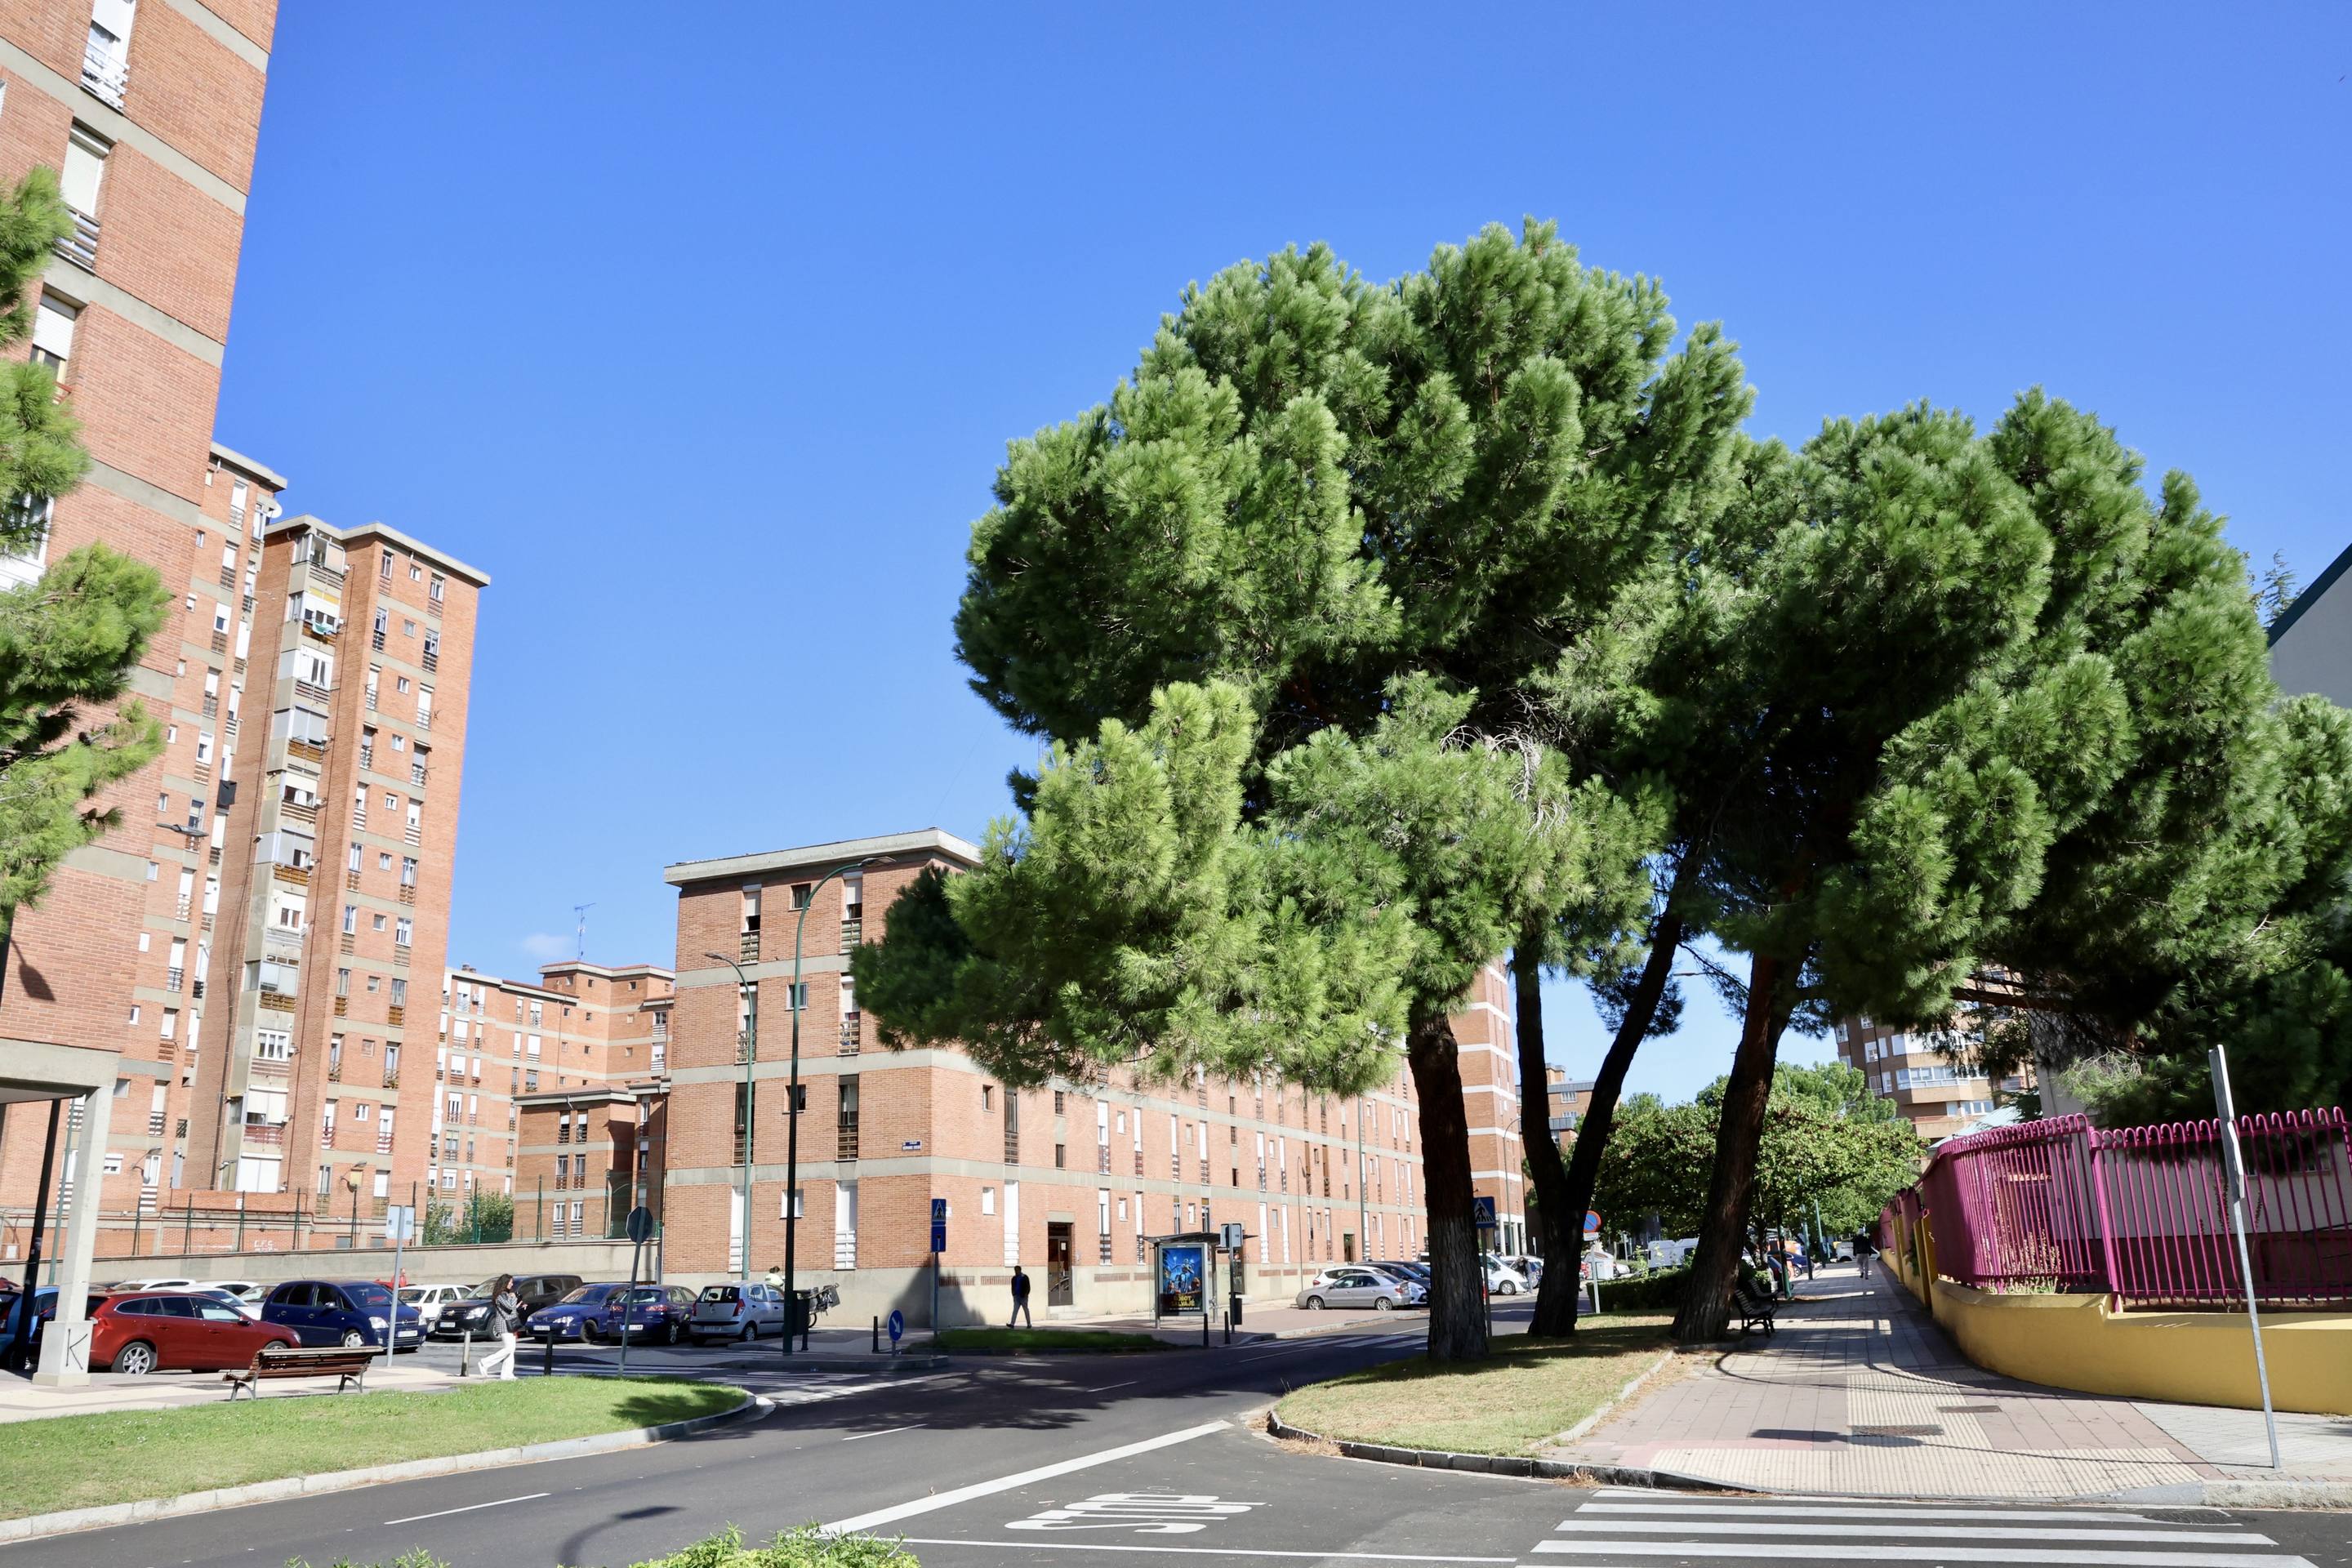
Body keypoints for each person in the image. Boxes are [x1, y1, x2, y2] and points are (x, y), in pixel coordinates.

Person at [478, 1273, 521, 1380]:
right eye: (510, 1282)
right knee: (509, 1348)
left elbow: (511, 1309)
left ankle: (507, 1375)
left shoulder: (506, 1295)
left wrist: (519, 1305)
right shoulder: (500, 1296)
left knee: (511, 1350)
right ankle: (485, 1362)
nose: (512, 1284)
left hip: (510, 1324)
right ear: (505, 1283)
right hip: (504, 1325)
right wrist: (514, 1298)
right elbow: (509, 1307)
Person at [1009, 1263, 1033, 1328]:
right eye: (1015, 1270)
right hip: (1017, 1297)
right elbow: (1013, 1287)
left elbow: (1028, 1287)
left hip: (1023, 1297)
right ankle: (1012, 1324)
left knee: (1026, 1310)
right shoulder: (1014, 1278)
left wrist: (1026, 1294)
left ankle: (1029, 1324)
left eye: (1017, 1270)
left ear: (1020, 1270)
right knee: (1015, 1310)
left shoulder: (1024, 1277)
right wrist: (1013, 1294)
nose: (1016, 1272)